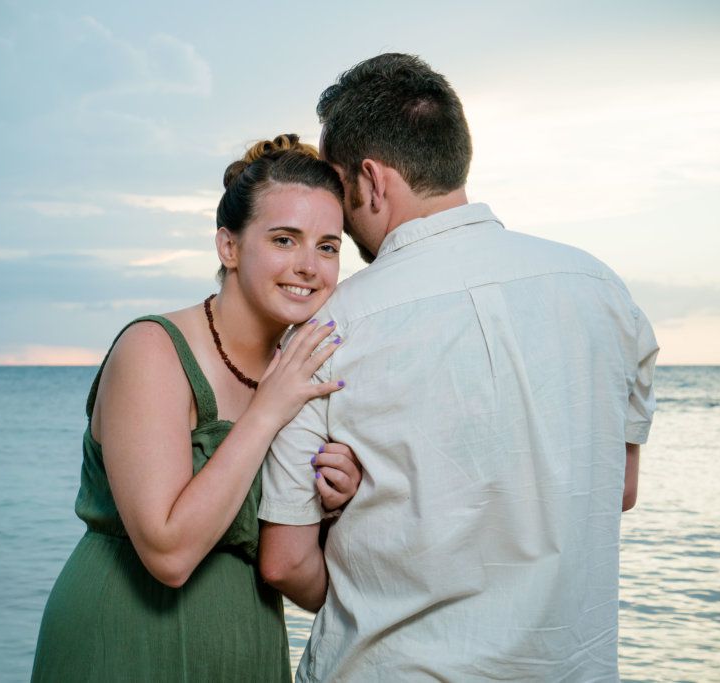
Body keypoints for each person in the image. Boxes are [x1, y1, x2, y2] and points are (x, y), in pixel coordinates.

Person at [258, 54, 660, 681]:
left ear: (369, 180)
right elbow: (620, 486)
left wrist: (365, 514)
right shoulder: (601, 288)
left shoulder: (329, 328)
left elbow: (283, 563)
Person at [31, 134, 363, 681]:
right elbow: (169, 553)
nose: (309, 266)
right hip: (123, 641)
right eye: (285, 240)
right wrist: (266, 414)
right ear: (228, 247)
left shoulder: (300, 374)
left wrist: (337, 506)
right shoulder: (152, 350)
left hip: (247, 644)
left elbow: (303, 574)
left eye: (328, 247)